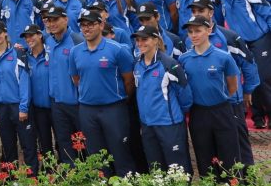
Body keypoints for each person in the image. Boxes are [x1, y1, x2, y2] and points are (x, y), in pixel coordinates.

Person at [187, 0, 259, 165]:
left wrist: (248, 90)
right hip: (204, 106)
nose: (197, 14)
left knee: (239, 145)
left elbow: (248, 63)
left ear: (211, 12)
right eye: (194, 11)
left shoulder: (229, 36)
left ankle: (248, 183)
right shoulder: (189, 39)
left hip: (230, 102)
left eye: (201, 10)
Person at [69, 10, 137, 177]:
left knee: (120, 151)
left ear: (101, 25)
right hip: (87, 109)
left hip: (113, 108)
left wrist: (119, 98)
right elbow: (76, 79)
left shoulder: (117, 50)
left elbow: (129, 80)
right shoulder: (75, 52)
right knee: (95, 155)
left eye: (91, 24)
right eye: (83, 25)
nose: (87, 28)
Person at [211, 0, 271, 129]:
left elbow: (267, 12)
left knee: (263, 77)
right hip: (241, 42)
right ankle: (258, 116)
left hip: (260, 38)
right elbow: (219, 20)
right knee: (251, 78)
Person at [179, 16, 241, 176]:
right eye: (190, 32)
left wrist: (220, 98)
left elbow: (232, 85)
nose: (194, 35)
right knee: (203, 155)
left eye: (198, 31)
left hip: (221, 110)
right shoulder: (184, 59)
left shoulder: (223, 57)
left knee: (228, 154)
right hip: (198, 113)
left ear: (209, 30)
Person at [131, 26, 193, 173]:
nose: (140, 43)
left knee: (177, 167)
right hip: (147, 124)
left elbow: (185, 94)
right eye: (138, 40)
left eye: (144, 39)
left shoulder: (169, 64)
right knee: (156, 167)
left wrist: (176, 114)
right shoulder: (137, 65)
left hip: (168, 124)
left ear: (155, 40)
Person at [0, 20, 37, 173]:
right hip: (0, 109)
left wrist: (24, 107)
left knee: (28, 144)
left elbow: (25, 82)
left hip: (19, 106)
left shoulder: (18, 53)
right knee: (7, 145)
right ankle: (11, 179)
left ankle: (32, 177)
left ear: (5, 33)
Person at [43, 5, 83, 164]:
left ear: (65, 19)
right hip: (57, 102)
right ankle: (71, 177)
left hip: (76, 102)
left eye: (56, 20)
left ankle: (89, 175)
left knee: (82, 140)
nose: (52, 24)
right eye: (49, 20)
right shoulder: (48, 41)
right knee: (64, 141)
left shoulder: (77, 41)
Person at [21, 24, 53, 158]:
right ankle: (49, 172)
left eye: (32, 35)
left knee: (62, 140)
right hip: (38, 107)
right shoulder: (24, 56)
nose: (29, 39)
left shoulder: (51, 52)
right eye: (26, 37)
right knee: (44, 143)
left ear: (40, 35)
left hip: (55, 105)